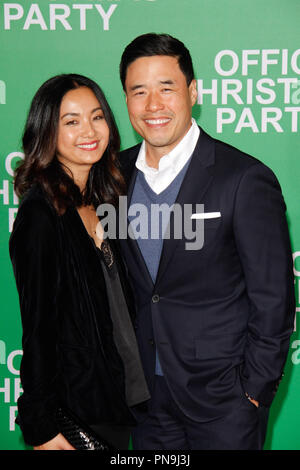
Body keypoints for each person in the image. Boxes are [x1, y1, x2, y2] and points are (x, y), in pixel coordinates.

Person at [117, 33, 295, 450]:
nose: (153, 105)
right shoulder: (113, 174)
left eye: (167, 88)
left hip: (224, 403)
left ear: (193, 92)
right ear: (126, 99)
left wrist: (253, 390)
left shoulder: (243, 178)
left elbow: (275, 299)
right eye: (138, 91)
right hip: (144, 402)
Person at [9, 74, 150, 450]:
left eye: (97, 116)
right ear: (47, 132)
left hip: (124, 399)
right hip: (77, 409)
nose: (88, 130)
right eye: (71, 121)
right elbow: (37, 325)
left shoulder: (109, 201)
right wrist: (40, 422)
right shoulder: (40, 214)